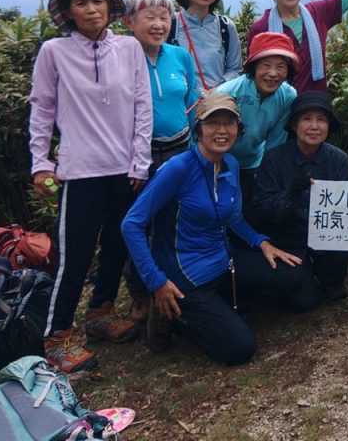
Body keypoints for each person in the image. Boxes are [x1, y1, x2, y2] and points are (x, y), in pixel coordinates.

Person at [122, 93, 307, 365]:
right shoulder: (178, 169)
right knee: (240, 348)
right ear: (198, 130)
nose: (222, 130)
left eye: (229, 123)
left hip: (224, 264)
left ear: (239, 129)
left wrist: (261, 242)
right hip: (186, 279)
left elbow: (234, 219)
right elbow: (131, 224)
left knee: (295, 277)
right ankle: (173, 318)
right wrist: (156, 281)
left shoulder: (230, 164)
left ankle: (218, 309)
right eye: (213, 123)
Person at [29, 0, 152, 373]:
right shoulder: (54, 52)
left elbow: (142, 106)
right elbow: (42, 110)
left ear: (109, 5)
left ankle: (100, 314)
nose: (91, 9)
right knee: (75, 256)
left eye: (98, 0)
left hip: (125, 169)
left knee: (118, 244)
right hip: (80, 170)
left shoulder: (129, 48)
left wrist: (140, 161)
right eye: (81, 3)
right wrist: (41, 163)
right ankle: (57, 337)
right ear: (68, 10)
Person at [122, 0, 199, 322]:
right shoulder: (121, 58)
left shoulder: (179, 56)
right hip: (138, 156)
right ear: (130, 22)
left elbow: (193, 102)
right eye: (149, 17)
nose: (158, 24)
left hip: (180, 149)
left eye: (164, 17)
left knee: (174, 220)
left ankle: (174, 282)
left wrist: (197, 150)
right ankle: (139, 290)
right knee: (138, 223)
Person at [249, 92, 348, 303]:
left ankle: (331, 278)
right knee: (303, 301)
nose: (314, 126)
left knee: (345, 242)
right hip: (287, 239)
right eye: (307, 119)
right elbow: (262, 210)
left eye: (321, 120)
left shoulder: (338, 159)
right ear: (294, 125)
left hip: (326, 236)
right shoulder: (274, 159)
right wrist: (289, 195)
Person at [215, 32, 298, 199]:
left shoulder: (288, 95)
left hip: (253, 164)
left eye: (280, 67)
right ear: (254, 67)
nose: (273, 73)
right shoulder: (227, 92)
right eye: (266, 65)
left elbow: (276, 140)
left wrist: (267, 174)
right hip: (220, 163)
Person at [168, 0, 243, 92]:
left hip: (217, 99)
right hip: (180, 98)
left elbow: (235, 69)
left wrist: (217, 90)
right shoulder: (171, 24)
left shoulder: (225, 27)